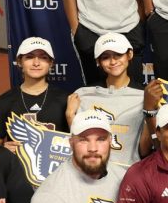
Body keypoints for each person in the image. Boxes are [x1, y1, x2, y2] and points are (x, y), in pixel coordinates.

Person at [66, 33, 157, 165]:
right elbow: (78, 141)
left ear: (130, 54)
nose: (113, 61)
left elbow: (144, 151)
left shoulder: (144, 95)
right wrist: (70, 116)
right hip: (92, 170)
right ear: (98, 61)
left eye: (118, 55)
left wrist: (150, 109)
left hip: (129, 172)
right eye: (106, 57)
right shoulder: (83, 95)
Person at [0, 37, 70, 146]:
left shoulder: (66, 99)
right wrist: (2, 150)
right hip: (17, 163)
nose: (36, 63)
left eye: (43, 57)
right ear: (19, 62)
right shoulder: (4, 101)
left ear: (51, 63)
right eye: (29, 57)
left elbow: (78, 140)